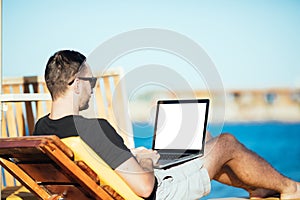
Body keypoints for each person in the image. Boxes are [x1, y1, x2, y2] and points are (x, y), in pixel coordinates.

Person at [33, 50, 300, 200]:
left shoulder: (41, 130)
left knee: (201, 141)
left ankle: (258, 188)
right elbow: (145, 187)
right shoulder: (93, 128)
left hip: (103, 188)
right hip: (155, 193)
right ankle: (290, 188)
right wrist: (146, 161)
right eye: (90, 83)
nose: (92, 90)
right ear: (76, 84)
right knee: (226, 143)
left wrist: (133, 159)